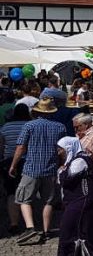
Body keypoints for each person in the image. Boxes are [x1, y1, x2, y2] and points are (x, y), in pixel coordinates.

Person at [9, 98, 67, 244]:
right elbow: (62, 150)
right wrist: (63, 163)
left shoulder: (29, 125)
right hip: (50, 169)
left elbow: (21, 147)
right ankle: (46, 231)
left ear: (36, 111)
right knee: (48, 201)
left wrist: (13, 165)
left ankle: (30, 228)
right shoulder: (60, 127)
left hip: (31, 169)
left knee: (24, 199)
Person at [41, 137, 93, 256]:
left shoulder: (79, 161)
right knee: (85, 227)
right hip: (81, 198)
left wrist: (61, 172)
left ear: (69, 148)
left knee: (68, 226)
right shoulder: (75, 159)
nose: (58, 152)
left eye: (61, 149)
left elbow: (66, 179)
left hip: (83, 198)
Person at [1, 103, 31, 234]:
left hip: (9, 161)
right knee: (27, 191)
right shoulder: (30, 126)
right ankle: (29, 221)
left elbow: (1, 146)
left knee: (11, 192)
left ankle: (14, 223)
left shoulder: (5, 127)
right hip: (27, 161)